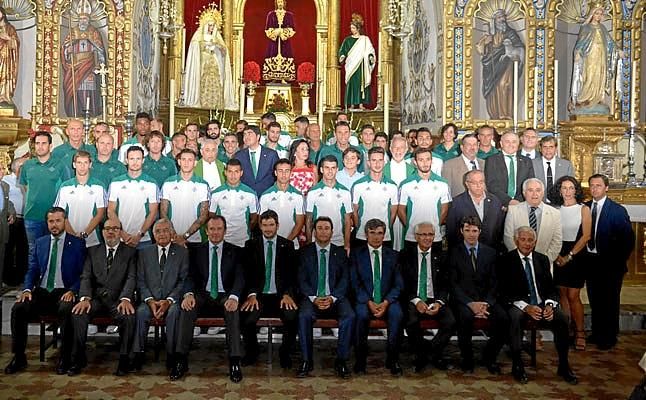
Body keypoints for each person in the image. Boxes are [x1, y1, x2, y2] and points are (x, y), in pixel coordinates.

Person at [4, 207, 86, 375]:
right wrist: (27, 289)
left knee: (66, 308)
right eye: (51, 221)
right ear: (47, 223)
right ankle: (19, 357)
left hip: (64, 291)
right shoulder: (40, 242)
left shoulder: (77, 244)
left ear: (65, 221)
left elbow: (83, 274)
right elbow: (32, 270)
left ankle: (65, 358)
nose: (54, 225)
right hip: (42, 291)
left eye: (58, 221)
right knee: (18, 308)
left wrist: (73, 290)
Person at [497, 226, 578, 384]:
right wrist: (526, 307)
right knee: (515, 317)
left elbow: (551, 289)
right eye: (523, 240)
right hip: (519, 305)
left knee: (562, 318)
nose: (527, 243)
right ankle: (517, 365)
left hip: (541, 304)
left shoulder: (542, 259)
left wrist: (549, 305)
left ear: (535, 243)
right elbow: (503, 293)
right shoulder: (506, 260)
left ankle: (564, 365)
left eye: (530, 240)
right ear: (516, 241)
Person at [177, 216, 244, 382]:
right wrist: (188, 294)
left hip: (225, 295)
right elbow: (189, 276)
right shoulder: (196, 251)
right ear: (206, 231)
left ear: (225, 231)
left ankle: (235, 362)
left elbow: (240, 278)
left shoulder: (236, 251)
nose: (215, 232)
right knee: (187, 308)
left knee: (232, 310)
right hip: (202, 294)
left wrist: (234, 297)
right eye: (212, 229)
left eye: (219, 229)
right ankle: (180, 360)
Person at [69, 218, 137, 376]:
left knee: (128, 316)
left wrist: (126, 298)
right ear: (102, 232)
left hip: (118, 300)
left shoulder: (131, 252)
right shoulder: (92, 251)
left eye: (115, 228)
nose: (111, 231)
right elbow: (86, 276)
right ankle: (77, 358)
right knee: (78, 313)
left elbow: (131, 277)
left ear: (120, 232)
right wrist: (85, 298)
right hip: (97, 299)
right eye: (107, 229)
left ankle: (124, 360)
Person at [296, 217, 355, 379]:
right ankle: (306, 361)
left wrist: (333, 297)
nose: (323, 232)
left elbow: (345, 279)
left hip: (336, 298)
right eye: (320, 228)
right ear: (314, 232)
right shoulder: (304, 252)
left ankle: (341, 361)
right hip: (312, 298)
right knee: (303, 316)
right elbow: (301, 279)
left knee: (349, 316)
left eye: (326, 228)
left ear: (332, 232)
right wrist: (314, 297)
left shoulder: (340, 253)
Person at [448, 216, 506, 374]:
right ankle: (467, 358)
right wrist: (470, 303)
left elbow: (495, 282)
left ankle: (490, 356)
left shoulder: (490, 253)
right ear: (461, 231)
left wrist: (486, 303)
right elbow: (452, 284)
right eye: (467, 230)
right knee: (465, 317)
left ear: (480, 231)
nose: (471, 234)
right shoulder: (453, 253)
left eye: (474, 230)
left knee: (503, 318)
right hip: (463, 301)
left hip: (486, 301)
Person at [240, 210, 298, 368]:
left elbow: (292, 275)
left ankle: (285, 353)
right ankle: (252, 351)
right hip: (258, 295)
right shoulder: (250, 245)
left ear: (277, 226)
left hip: (281, 295)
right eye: (264, 225)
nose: (268, 229)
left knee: (292, 316)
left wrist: (287, 294)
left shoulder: (288, 245)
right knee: (247, 317)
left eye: (271, 225)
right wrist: (251, 294)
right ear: (260, 226)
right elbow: (247, 275)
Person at [132, 219, 189, 378]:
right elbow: (140, 281)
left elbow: (183, 281)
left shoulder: (182, 252)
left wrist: (169, 300)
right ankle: (138, 354)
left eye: (165, 230)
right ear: (153, 234)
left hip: (172, 300)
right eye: (158, 231)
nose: (162, 234)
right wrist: (150, 300)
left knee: (174, 313)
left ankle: (172, 355)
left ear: (171, 233)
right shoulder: (144, 253)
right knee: (141, 313)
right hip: (150, 300)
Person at [585, 174, 634, 350]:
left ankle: (609, 336)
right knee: (595, 299)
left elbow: (628, 240)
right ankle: (597, 332)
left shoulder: (617, 210)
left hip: (611, 264)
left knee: (610, 301)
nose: (594, 188)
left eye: (598, 185)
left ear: (606, 188)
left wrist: (616, 262)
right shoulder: (585, 207)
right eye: (592, 185)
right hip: (591, 262)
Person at [399, 222, 455, 372]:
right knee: (411, 321)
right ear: (416, 236)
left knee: (450, 321)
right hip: (414, 298)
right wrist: (417, 301)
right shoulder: (405, 255)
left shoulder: (442, 255)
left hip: (435, 299)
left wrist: (439, 302)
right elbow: (402, 284)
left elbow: (446, 284)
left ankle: (432, 353)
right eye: (423, 234)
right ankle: (421, 354)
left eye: (430, 234)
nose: (427, 238)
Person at [350, 219, 403, 375]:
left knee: (397, 314)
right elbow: (354, 283)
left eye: (379, 233)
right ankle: (360, 360)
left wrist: (386, 302)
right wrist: (369, 302)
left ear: (384, 235)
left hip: (388, 300)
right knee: (360, 315)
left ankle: (393, 360)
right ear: (366, 235)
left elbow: (398, 284)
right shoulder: (356, 254)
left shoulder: (393, 255)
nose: (376, 237)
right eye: (372, 233)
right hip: (365, 300)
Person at [547, 176, 591, 351]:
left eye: (571, 188)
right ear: (559, 190)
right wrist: (557, 255)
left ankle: (580, 332)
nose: (567, 191)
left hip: (577, 254)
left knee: (573, 295)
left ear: (576, 190)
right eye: (564, 188)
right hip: (557, 252)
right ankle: (565, 330)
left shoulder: (583, 209)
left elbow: (586, 236)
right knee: (562, 294)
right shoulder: (554, 209)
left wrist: (569, 256)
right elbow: (550, 233)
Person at [20, 132, 71, 269]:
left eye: (44, 143)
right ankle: (34, 281)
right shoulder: (27, 165)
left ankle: (52, 280)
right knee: (33, 252)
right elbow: (25, 186)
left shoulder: (60, 165)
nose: (40, 146)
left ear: (50, 146)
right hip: (32, 216)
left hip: (55, 218)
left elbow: (66, 189)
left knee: (54, 252)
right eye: (37, 143)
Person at [569, 3, 622, 115]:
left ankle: (597, 99)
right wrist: (578, 52)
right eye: (596, 13)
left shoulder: (602, 28)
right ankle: (585, 98)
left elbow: (610, 42)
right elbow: (580, 42)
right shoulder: (586, 27)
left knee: (599, 76)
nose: (598, 16)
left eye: (601, 14)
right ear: (592, 14)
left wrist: (618, 50)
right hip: (589, 56)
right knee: (589, 76)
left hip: (601, 56)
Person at [398, 147, 451, 254]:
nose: (425, 163)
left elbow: (445, 209)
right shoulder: (405, 184)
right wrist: (410, 227)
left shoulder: (443, 184)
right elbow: (400, 210)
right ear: (415, 162)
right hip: (412, 237)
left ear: (432, 161)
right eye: (421, 160)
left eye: (428, 159)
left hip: (435, 237)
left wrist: (435, 226)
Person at [183, 5, 236, 110]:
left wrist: (218, 47)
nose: (211, 28)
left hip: (214, 63)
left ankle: (216, 104)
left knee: (215, 80)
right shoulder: (198, 37)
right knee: (204, 80)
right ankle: (202, 101)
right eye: (210, 25)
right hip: (203, 63)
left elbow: (224, 51)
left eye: (213, 26)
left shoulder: (217, 38)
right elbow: (195, 47)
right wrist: (204, 46)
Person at [475, 8, 524, 119]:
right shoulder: (489, 36)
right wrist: (485, 44)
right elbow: (483, 52)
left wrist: (511, 49)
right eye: (499, 17)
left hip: (507, 63)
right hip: (492, 67)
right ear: (494, 20)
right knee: (493, 90)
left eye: (503, 17)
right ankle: (495, 114)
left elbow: (520, 48)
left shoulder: (511, 33)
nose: (502, 20)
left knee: (504, 85)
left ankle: (506, 114)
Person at [61, 2, 106, 117]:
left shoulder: (94, 32)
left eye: (85, 19)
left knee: (88, 90)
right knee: (75, 90)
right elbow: (65, 48)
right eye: (81, 19)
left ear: (89, 20)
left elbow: (100, 49)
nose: (83, 21)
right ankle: (76, 114)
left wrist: (101, 63)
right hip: (75, 67)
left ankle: (90, 114)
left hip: (89, 66)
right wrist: (67, 50)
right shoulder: (73, 31)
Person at [107, 147, 159, 248]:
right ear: (126, 160)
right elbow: (110, 211)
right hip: (121, 238)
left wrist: (140, 234)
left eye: (138, 159)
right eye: (132, 159)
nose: (135, 162)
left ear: (143, 160)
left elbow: (153, 213)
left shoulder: (151, 183)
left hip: (144, 239)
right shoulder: (116, 183)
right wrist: (122, 233)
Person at [54, 150, 106, 247]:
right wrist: (73, 235)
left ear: (90, 165)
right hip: (69, 239)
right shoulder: (65, 187)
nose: (82, 166)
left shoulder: (99, 186)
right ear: (74, 165)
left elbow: (100, 214)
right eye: (79, 163)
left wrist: (85, 233)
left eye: (85, 163)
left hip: (93, 240)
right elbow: (60, 214)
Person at [504, 178, 562, 264]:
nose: (535, 194)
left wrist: (544, 261)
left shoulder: (555, 213)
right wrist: (520, 259)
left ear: (543, 193)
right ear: (524, 193)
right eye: (530, 190)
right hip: (518, 264)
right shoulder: (513, 211)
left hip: (545, 264)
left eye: (538, 190)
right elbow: (508, 238)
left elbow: (557, 242)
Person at [160, 149, 210, 248]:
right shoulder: (168, 183)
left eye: (190, 160)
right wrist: (174, 235)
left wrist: (184, 236)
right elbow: (163, 213)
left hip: (196, 239)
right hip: (172, 238)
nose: (186, 163)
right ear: (179, 162)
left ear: (195, 163)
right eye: (183, 159)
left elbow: (204, 216)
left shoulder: (203, 185)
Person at [446, 170, 505, 250]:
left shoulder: (495, 201)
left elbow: (500, 229)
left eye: (481, 182)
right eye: (474, 183)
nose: (478, 186)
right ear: (467, 184)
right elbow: (451, 232)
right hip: (465, 251)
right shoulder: (457, 203)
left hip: (492, 251)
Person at [351, 147, 398, 247]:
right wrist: (360, 228)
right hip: (362, 236)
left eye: (380, 160)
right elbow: (354, 211)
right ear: (368, 163)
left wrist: (386, 228)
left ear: (384, 162)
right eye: (374, 160)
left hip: (385, 237)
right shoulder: (358, 185)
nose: (377, 164)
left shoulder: (392, 186)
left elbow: (393, 213)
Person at [305, 155, 352, 252]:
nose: (330, 171)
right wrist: (309, 243)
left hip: (339, 242)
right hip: (317, 242)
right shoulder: (313, 192)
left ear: (337, 170)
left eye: (333, 168)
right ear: (321, 169)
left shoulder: (345, 192)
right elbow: (308, 220)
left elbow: (347, 221)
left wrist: (347, 244)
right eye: (327, 168)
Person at [209, 158, 258, 248]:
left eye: (236, 172)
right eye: (230, 171)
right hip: (222, 241)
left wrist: (245, 230)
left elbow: (254, 218)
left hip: (243, 241)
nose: (233, 175)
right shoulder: (216, 193)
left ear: (241, 173)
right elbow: (211, 216)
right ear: (225, 172)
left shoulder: (250, 193)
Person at [259, 159, 305, 249]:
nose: (284, 174)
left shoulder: (298, 196)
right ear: (275, 173)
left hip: (292, 245)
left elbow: (299, 223)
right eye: (280, 171)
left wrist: (286, 243)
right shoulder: (265, 195)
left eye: (287, 171)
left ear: (291, 173)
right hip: (271, 245)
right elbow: (261, 222)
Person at [484, 131, 534, 206]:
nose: (511, 145)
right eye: (507, 142)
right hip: (499, 204)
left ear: (518, 144)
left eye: (514, 142)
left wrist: (518, 201)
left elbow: (530, 184)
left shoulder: (527, 161)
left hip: (521, 204)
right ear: (501, 143)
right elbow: (491, 185)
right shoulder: (491, 160)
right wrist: (508, 201)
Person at [339, 13, 375, 109]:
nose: (352, 30)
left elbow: (370, 51)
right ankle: (351, 104)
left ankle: (361, 104)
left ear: (358, 28)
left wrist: (370, 57)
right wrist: (342, 56)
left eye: (353, 28)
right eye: (351, 28)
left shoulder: (365, 39)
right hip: (351, 65)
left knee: (360, 83)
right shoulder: (347, 40)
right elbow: (343, 50)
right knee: (352, 83)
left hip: (361, 65)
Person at [234, 125, 279, 197]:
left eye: (249, 134)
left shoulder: (271, 154)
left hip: (268, 195)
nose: (246, 137)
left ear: (258, 137)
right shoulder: (239, 156)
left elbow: (277, 176)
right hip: (245, 196)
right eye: (244, 134)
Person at [3, 157, 25, 286]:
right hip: (11, 220)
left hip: (26, 219)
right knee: (9, 248)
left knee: (23, 249)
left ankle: (21, 277)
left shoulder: (28, 180)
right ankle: (7, 278)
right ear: (17, 167)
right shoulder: (6, 180)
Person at [441, 133, 485, 197]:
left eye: (474, 144)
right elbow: (446, 192)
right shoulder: (449, 165)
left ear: (478, 146)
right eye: (469, 145)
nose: (472, 148)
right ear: (462, 147)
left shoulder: (485, 164)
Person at [532, 136, 574, 201]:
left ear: (556, 148)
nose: (548, 150)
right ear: (540, 149)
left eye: (551, 147)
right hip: (538, 202)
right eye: (545, 147)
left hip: (560, 202)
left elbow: (571, 187)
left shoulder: (566, 165)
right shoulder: (532, 164)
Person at [263, 0, 296, 79]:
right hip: (274, 42)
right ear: (276, 3)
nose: (280, 4)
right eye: (278, 2)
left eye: (281, 2)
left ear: (284, 3)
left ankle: (284, 78)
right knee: (272, 56)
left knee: (286, 56)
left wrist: (283, 32)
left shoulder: (289, 15)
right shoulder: (271, 15)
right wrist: (275, 32)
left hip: (285, 42)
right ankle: (273, 77)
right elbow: (267, 29)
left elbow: (292, 29)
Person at [0, 7, 19, 105]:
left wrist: (7, 38)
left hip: (6, 59)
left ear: (3, 14)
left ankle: (4, 96)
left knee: (5, 74)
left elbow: (15, 43)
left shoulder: (10, 28)